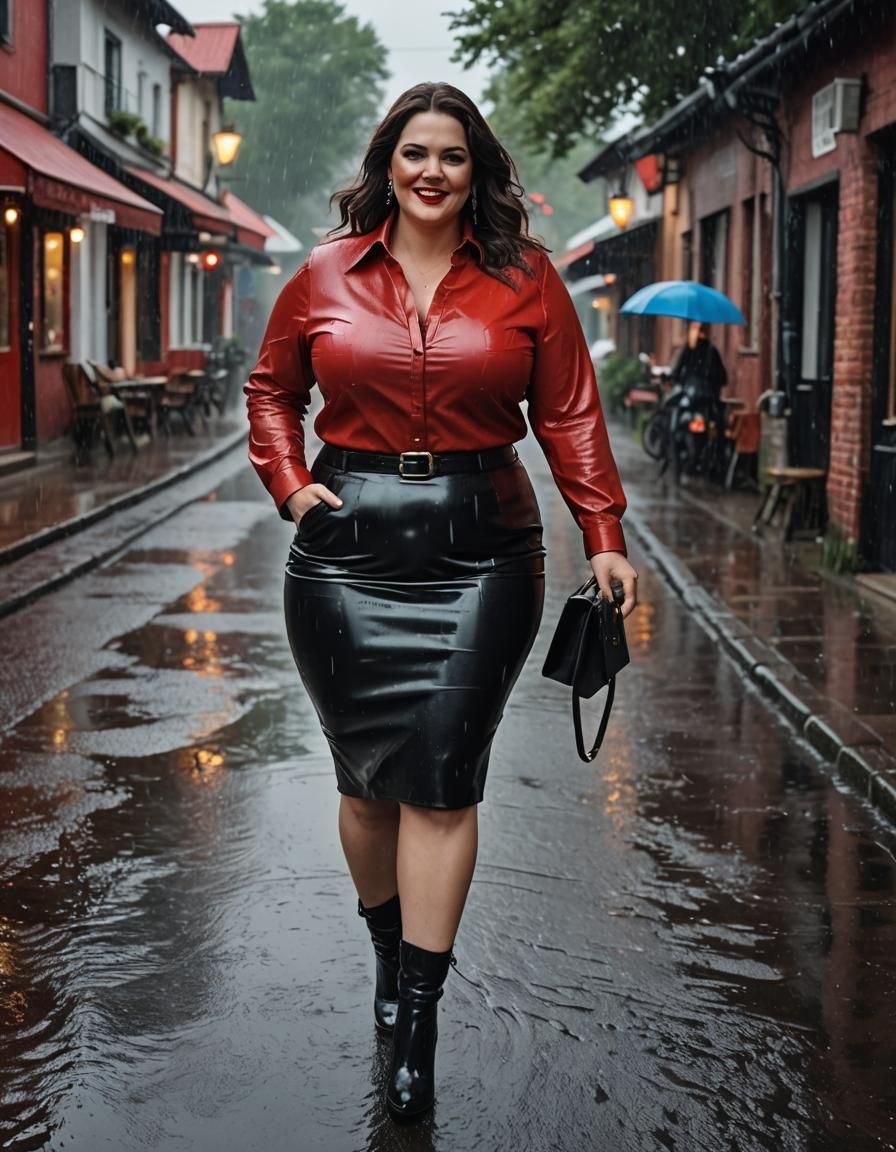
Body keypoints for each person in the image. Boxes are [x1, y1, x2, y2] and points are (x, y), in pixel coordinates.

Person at [244, 82, 637, 1123]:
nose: (430, 171)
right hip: (345, 544)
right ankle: (388, 955)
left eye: (451, 156)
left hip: (483, 549)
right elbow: (269, 389)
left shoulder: (525, 280)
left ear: (476, 172)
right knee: (369, 783)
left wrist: (602, 535)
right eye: (413, 153)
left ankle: (417, 1014)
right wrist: (290, 485)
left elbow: (570, 418)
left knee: (443, 783)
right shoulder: (323, 274)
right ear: (387, 164)